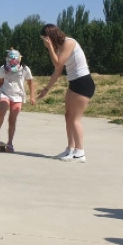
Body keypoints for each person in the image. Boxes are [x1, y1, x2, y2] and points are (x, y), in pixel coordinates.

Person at [37, 23, 96, 162]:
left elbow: (58, 63)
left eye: (44, 39)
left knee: (75, 119)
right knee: (68, 116)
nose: (44, 43)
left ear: (50, 37)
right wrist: (46, 89)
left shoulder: (69, 43)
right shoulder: (60, 49)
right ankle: (70, 149)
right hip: (74, 82)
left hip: (83, 82)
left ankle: (80, 152)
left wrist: (50, 47)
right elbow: (57, 71)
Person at [0, 49, 36, 152]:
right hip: (5, 93)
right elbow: (0, 82)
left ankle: (10, 143)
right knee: (2, 110)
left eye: (14, 60)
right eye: (10, 61)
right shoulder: (3, 68)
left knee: (12, 120)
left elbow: (31, 83)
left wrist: (32, 96)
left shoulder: (25, 69)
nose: (11, 63)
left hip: (18, 96)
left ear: (18, 60)